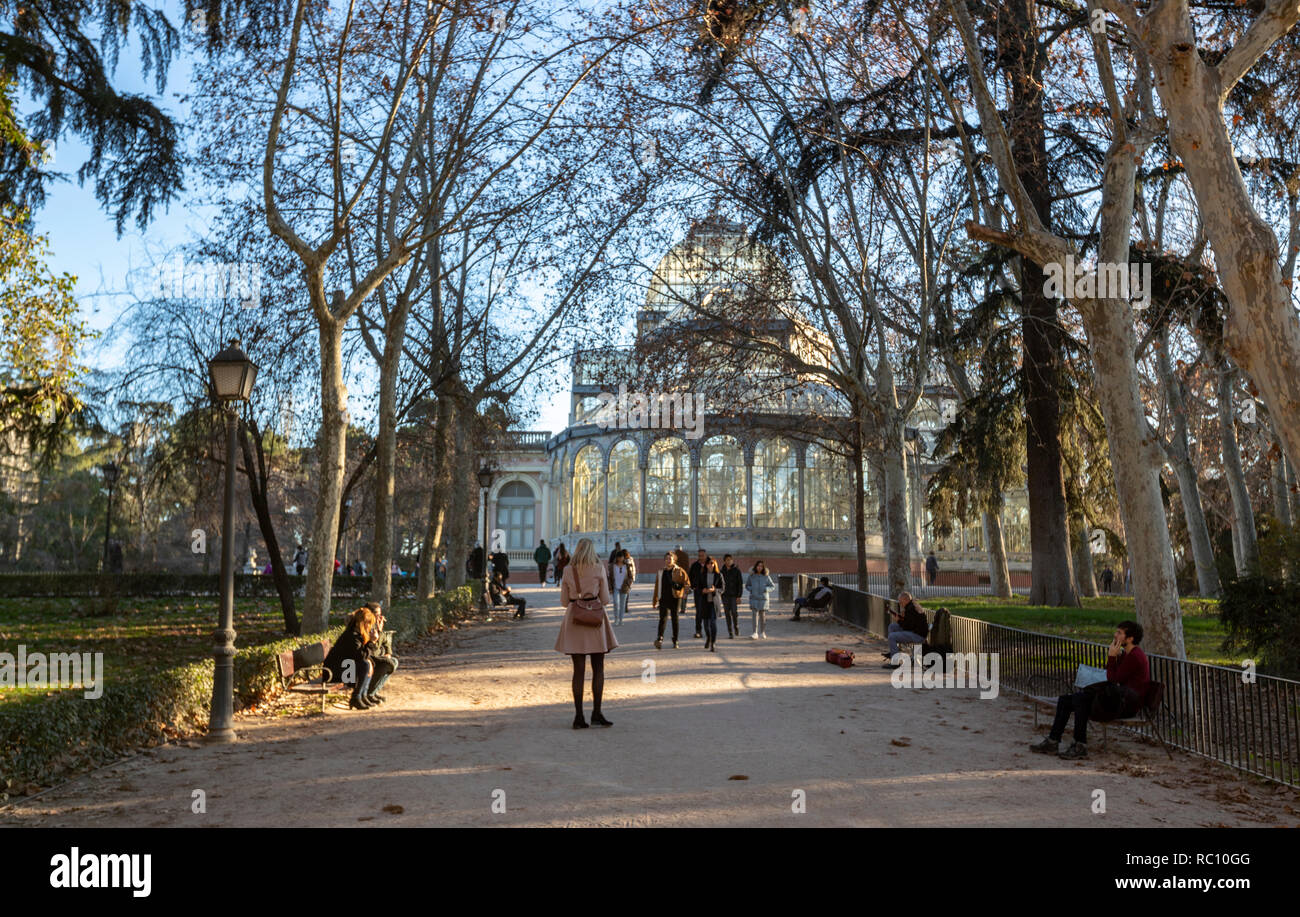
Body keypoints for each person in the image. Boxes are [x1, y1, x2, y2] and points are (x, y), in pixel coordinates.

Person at [1031, 621, 1150, 759]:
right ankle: (1053, 741)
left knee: (1079, 700)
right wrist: (1114, 658)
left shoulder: (1135, 656)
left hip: (1126, 705)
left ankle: (1079, 746)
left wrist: (1111, 657)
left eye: (1119, 633)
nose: (1115, 635)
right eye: (1116, 631)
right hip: (1116, 699)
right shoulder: (1126, 654)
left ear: (1130, 638)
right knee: (1065, 700)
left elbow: (1113, 679)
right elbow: (1111, 677)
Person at [555, 537, 616, 729]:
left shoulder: (567, 570)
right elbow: (605, 599)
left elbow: (564, 602)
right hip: (595, 619)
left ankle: (579, 716)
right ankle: (597, 713)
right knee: (598, 669)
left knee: (578, 671)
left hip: (575, 618)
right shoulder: (599, 568)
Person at [324, 606, 380, 709]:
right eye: (369, 623)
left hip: (343, 669)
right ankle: (356, 697)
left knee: (368, 663)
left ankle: (362, 695)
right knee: (365, 664)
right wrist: (372, 642)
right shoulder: (352, 636)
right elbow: (361, 656)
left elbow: (362, 655)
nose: (370, 627)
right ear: (362, 623)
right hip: (333, 673)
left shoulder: (356, 634)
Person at [362, 600, 398, 703]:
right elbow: (372, 650)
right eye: (377, 614)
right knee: (387, 663)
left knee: (393, 661)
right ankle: (369, 693)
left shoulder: (376, 625)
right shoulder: (364, 627)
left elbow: (386, 642)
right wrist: (376, 635)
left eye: (380, 614)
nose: (380, 617)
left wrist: (388, 653)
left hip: (374, 658)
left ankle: (373, 691)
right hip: (364, 659)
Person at [652, 551, 689, 650]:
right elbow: (656, 587)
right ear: (664, 560)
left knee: (674, 619)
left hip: (675, 598)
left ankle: (675, 640)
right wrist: (655, 600)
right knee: (662, 619)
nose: (668, 560)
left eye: (670, 558)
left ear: (674, 560)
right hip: (663, 598)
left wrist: (685, 593)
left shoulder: (679, 570)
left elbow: (687, 583)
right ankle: (659, 638)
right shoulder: (661, 572)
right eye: (667, 559)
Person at [882, 591, 929, 667]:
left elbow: (908, 627)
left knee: (892, 636)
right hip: (916, 631)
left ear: (906, 599)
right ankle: (894, 651)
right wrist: (901, 619)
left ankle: (895, 662)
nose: (900, 604)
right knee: (892, 626)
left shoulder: (911, 609)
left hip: (918, 635)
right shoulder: (912, 605)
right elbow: (909, 623)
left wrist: (899, 621)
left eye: (901, 602)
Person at [698, 558, 725, 651]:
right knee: (706, 624)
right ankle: (708, 638)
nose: (710, 565)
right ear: (706, 565)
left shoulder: (719, 575)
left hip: (714, 602)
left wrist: (715, 590)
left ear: (715, 564)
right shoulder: (702, 575)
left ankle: (713, 642)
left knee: (713, 622)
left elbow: (722, 588)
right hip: (705, 602)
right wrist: (702, 590)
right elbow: (697, 588)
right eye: (708, 563)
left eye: (712, 563)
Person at [746, 561, 775, 638]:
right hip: (754, 598)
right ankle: (755, 633)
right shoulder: (751, 576)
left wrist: (766, 589)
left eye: (761, 566)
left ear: (763, 567)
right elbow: (747, 585)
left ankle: (762, 632)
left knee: (762, 616)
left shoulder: (766, 576)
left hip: (763, 599)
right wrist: (751, 589)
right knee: (754, 615)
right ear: (756, 567)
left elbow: (772, 586)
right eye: (758, 566)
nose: (759, 567)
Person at [689, 549, 712, 638]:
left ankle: (709, 629)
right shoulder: (695, 565)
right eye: (699, 556)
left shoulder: (710, 564)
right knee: (699, 611)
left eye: (702, 555)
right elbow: (690, 576)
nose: (701, 557)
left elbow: (716, 574)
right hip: (698, 592)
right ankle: (698, 630)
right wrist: (693, 586)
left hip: (709, 591)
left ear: (706, 555)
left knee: (709, 611)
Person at [607, 549, 634, 626]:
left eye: (621, 557)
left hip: (624, 587)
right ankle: (616, 619)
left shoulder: (627, 566)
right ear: (616, 558)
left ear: (623, 557)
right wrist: (610, 588)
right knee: (616, 602)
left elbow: (631, 577)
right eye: (618, 557)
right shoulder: (612, 566)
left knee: (622, 604)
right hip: (615, 587)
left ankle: (621, 620)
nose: (620, 559)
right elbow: (609, 577)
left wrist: (628, 584)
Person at [720, 553, 743, 638]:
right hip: (725, 595)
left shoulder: (737, 571)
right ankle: (730, 631)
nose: (729, 561)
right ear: (724, 561)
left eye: (730, 559)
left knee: (734, 612)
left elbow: (740, 584)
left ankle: (736, 627)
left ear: (732, 560)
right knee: (727, 613)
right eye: (727, 560)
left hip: (734, 595)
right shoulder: (722, 571)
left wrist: (739, 596)